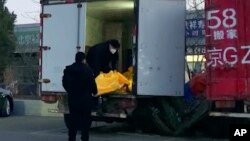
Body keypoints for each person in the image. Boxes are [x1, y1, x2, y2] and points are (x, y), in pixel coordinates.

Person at [62, 52, 97, 141]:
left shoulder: (68, 69)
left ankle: (71, 138)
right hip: (85, 100)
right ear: (83, 59)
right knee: (85, 121)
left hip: (73, 99)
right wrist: (94, 92)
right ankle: (84, 138)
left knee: (73, 120)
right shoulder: (88, 70)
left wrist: (70, 91)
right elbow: (92, 84)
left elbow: (64, 83)